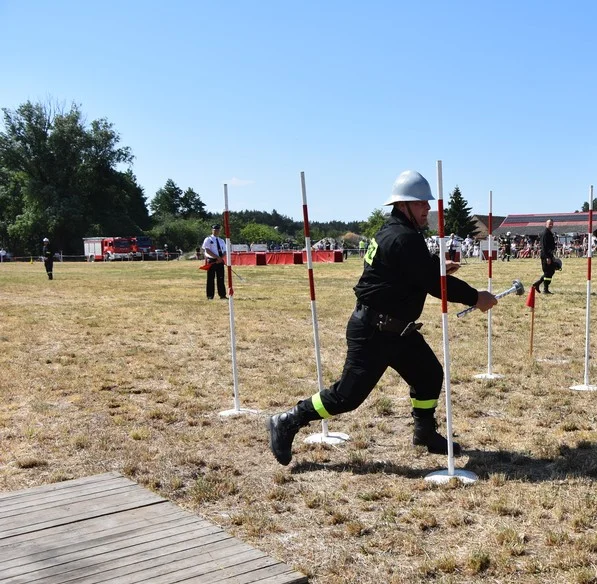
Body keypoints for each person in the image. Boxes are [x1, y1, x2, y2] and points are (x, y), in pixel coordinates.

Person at [266, 170, 498, 466]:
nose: (427, 207)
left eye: (426, 202)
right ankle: (288, 420)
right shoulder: (402, 237)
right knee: (346, 397)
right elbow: (430, 282)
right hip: (374, 331)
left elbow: (410, 271)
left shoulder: (397, 232)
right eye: (420, 203)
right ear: (402, 206)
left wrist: (435, 267)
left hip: (398, 331)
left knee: (429, 375)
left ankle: (424, 432)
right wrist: (476, 297)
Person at [531, 218, 558, 294]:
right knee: (547, 272)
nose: (551, 225)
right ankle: (545, 289)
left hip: (549, 255)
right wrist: (547, 257)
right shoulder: (545, 233)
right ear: (546, 224)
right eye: (549, 224)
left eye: (552, 224)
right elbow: (544, 246)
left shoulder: (549, 233)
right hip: (546, 256)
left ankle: (538, 284)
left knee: (551, 271)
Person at [202, 224, 227, 299]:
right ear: (212, 230)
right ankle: (210, 296)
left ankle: (222, 295)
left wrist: (221, 258)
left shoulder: (221, 240)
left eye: (217, 230)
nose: (216, 231)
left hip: (220, 261)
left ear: (220, 231)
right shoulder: (208, 239)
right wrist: (217, 257)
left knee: (221, 278)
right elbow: (207, 250)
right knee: (210, 279)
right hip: (212, 261)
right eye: (214, 230)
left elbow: (225, 251)